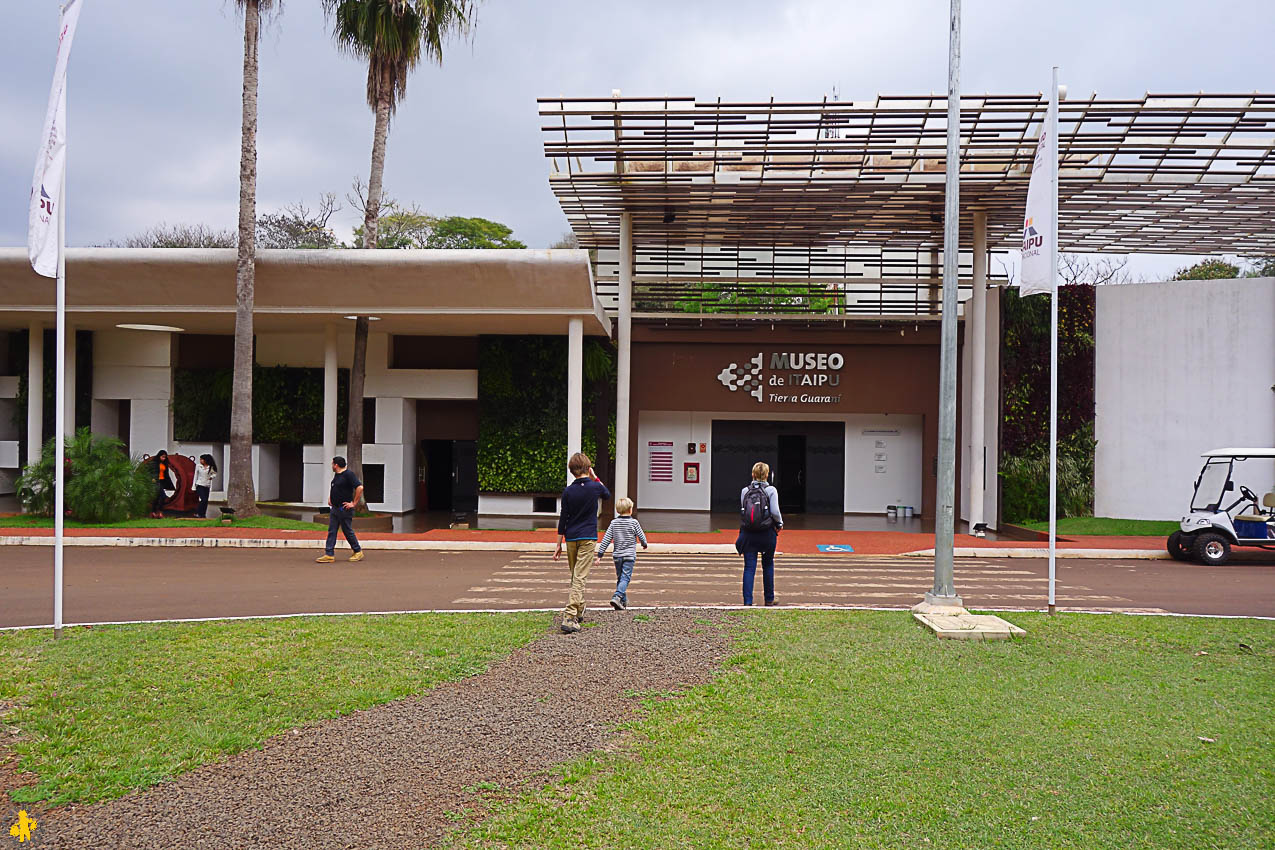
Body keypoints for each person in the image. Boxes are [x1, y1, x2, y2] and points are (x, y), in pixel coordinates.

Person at [553, 452, 610, 633]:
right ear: (588, 467)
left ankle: (580, 607)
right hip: (588, 537)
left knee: (575, 576)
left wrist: (558, 543)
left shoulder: (568, 491)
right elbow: (607, 494)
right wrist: (595, 477)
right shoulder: (594, 487)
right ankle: (570, 616)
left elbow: (563, 518)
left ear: (571, 471)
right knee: (579, 577)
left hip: (571, 537)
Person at [736, 461, 783, 606]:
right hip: (767, 533)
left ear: (753, 474)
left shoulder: (745, 491)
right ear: (767, 475)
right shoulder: (771, 490)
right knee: (768, 564)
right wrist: (780, 523)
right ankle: (769, 599)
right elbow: (775, 511)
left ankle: (748, 602)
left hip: (749, 533)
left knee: (749, 567)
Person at [598, 496, 648, 610]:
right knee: (625, 578)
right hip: (629, 555)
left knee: (621, 578)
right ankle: (617, 596)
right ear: (630, 509)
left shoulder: (614, 523)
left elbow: (606, 539)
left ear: (617, 510)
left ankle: (623, 601)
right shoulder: (634, 523)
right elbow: (641, 536)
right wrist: (644, 544)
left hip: (617, 556)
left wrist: (600, 554)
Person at [316, 456, 364, 564]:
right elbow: (335, 487)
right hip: (335, 508)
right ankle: (329, 554)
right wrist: (330, 498)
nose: (332, 466)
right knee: (332, 531)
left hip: (344, 509)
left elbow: (359, 487)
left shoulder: (348, 474)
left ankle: (357, 551)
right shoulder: (337, 475)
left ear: (336, 465)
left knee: (347, 530)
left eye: (332, 464)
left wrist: (354, 503)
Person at [191, 454, 217, 518]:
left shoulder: (210, 467)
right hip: (199, 484)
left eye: (202, 459)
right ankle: (197, 512)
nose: (200, 461)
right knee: (203, 499)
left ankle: (203, 514)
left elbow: (214, 473)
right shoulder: (198, 466)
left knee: (206, 501)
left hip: (207, 485)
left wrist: (211, 477)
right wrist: (193, 486)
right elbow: (195, 475)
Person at [150, 450, 174, 518]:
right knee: (162, 496)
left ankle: (155, 512)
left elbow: (166, 474)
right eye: (162, 457)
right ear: (159, 456)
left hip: (162, 481)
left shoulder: (165, 464)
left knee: (158, 497)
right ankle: (158, 511)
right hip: (156, 481)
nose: (163, 458)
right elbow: (151, 472)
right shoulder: (154, 463)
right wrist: (152, 478)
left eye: (165, 457)